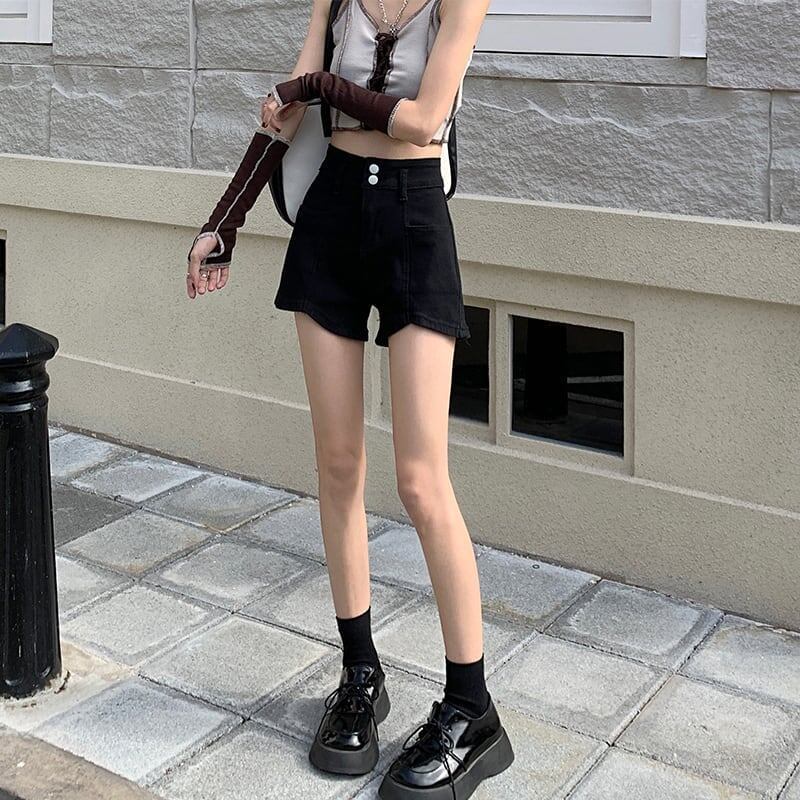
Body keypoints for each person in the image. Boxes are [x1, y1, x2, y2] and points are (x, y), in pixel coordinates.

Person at [186, 1, 514, 797]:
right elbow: (288, 113)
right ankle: (360, 674)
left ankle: (472, 709)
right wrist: (224, 221)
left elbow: (425, 120)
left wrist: (316, 85)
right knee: (338, 465)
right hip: (331, 213)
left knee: (420, 480)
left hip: (413, 217)